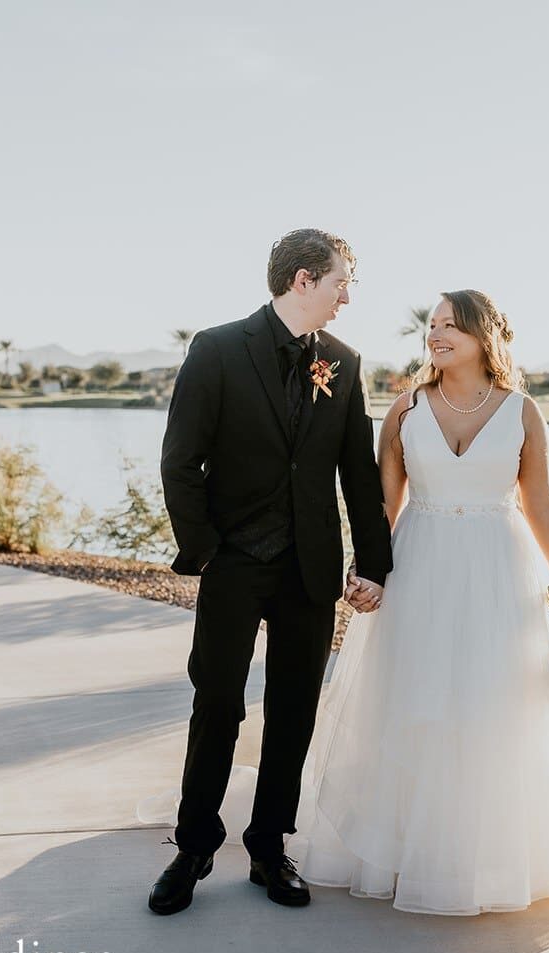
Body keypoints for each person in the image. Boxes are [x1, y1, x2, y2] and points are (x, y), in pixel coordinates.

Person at [284, 289, 549, 915]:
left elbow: (539, 502)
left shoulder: (522, 411)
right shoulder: (406, 408)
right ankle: (407, 846)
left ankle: (490, 852)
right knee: (415, 698)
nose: (435, 335)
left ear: (481, 337)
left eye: (450, 327)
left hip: (499, 570)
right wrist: (366, 570)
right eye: (432, 326)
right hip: (420, 567)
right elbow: (384, 503)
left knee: (496, 700)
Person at [150, 228, 393, 915]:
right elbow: (179, 460)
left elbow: (357, 473)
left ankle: (267, 846)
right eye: (341, 283)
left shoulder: (343, 363)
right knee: (217, 703)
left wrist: (374, 563)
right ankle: (194, 847)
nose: (347, 297)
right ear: (303, 281)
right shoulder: (217, 349)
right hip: (233, 563)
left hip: (309, 570)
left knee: (294, 708)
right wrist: (205, 549)